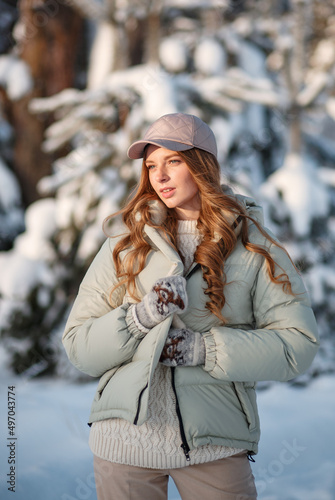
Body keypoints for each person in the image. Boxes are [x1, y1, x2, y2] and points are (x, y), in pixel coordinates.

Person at [62, 112, 319, 500]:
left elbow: (298, 345)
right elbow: (78, 345)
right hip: (124, 443)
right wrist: (140, 317)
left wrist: (205, 349)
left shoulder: (252, 247)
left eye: (173, 161)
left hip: (213, 445)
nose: (159, 176)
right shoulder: (126, 245)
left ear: (202, 165)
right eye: (151, 165)